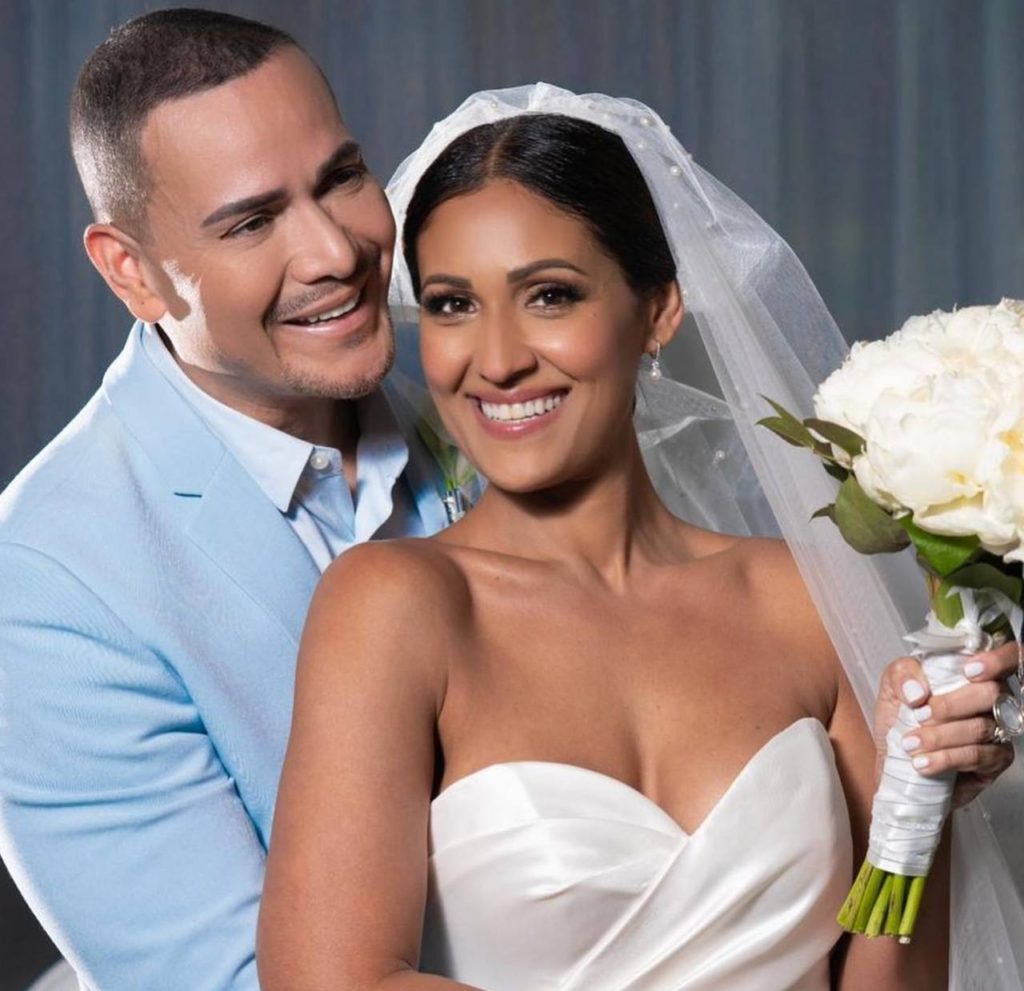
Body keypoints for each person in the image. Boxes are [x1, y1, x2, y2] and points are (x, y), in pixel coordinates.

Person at [257, 87, 1024, 990]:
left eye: (550, 296)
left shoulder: (806, 599)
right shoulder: (394, 607)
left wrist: (916, 803)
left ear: (658, 309)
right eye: (453, 304)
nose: (496, 360)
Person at [0, 10, 457, 989]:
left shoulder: (486, 413)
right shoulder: (43, 585)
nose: (335, 251)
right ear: (132, 271)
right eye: (252, 222)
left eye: (341, 178)